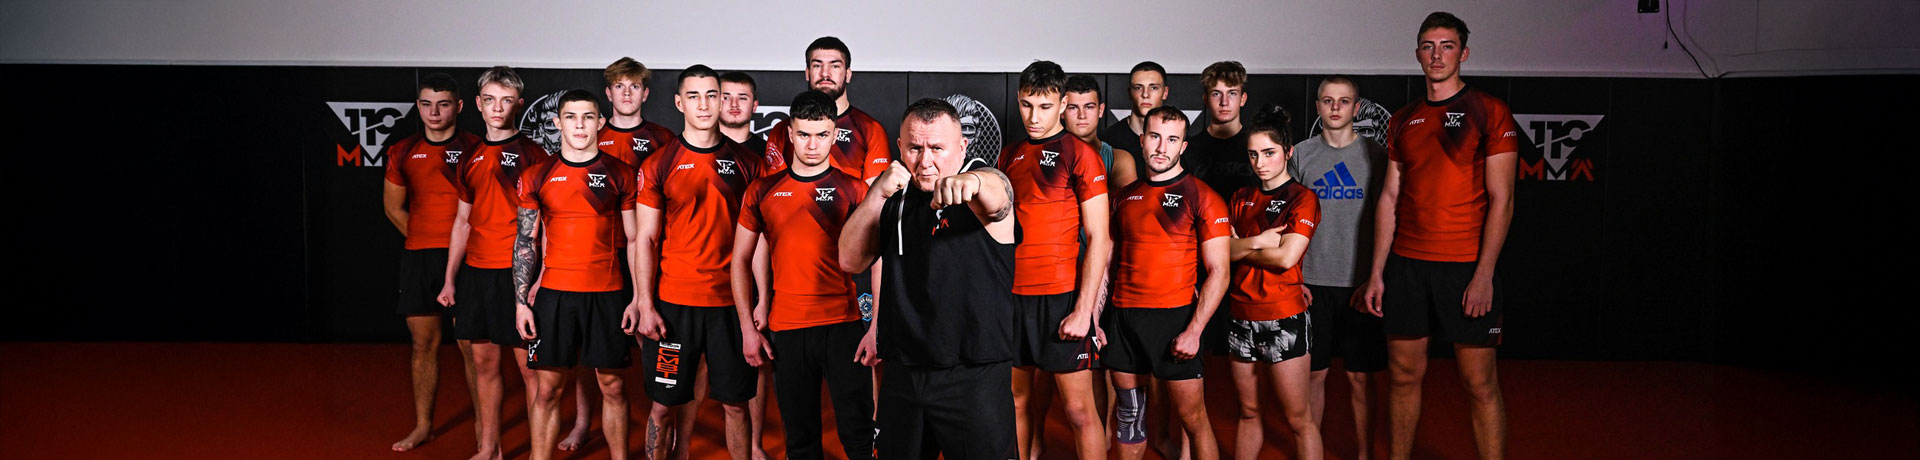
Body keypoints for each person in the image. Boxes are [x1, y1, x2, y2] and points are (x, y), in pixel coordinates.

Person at [1358, 12, 1519, 460]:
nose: (1437, 55)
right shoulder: (1403, 119)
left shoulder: (1489, 111)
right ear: (1417, 53)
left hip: (1465, 266)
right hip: (1407, 267)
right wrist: (1377, 273)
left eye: (1447, 46)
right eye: (1428, 46)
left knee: (1479, 383)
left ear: (1464, 53)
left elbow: (1503, 200)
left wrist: (1484, 275)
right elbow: (1389, 198)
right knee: (1402, 377)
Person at [839, 98, 1018, 460]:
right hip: (904, 370)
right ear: (900, 146)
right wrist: (877, 194)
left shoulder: (980, 183)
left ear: (962, 146)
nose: (925, 161)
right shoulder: (895, 194)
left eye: (937, 148)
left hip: (973, 373)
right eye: (915, 148)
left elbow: (1000, 197)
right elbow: (849, 259)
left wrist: (973, 181)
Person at [630, 65, 771, 460]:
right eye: (694, 96)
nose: (705, 104)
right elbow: (646, 239)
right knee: (663, 405)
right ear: (679, 103)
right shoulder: (659, 164)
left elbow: (759, 241)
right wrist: (645, 303)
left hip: (730, 306)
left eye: (712, 95)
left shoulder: (749, 163)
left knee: (736, 404)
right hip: (675, 307)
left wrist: (762, 300)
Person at [733, 90, 879, 460]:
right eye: (803, 134)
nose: (812, 145)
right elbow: (740, 261)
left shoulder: (854, 189)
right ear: (789, 134)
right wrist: (748, 327)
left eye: (821, 135)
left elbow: (878, 260)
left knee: (859, 437)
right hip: (788, 328)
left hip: (843, 325)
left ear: (834, 135)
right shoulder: (762, 190)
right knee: (800, 442)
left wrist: (877, 325)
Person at [509, 89, 640, 460]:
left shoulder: (621, 173)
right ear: (558, 122)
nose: (579, 125)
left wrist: (638, 298)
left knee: (613, 387)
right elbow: (526, 241)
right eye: (570, 117)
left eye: (587, 117)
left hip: (607, 292)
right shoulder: (537, 175)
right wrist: (521, 303)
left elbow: (634, 239)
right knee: (548, 389)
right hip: (554, 294)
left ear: (600, 122)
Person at [435, 66, 554, 460]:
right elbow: (462, 222)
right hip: (477, 272)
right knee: (484, 365)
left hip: (517, 275)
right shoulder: (468, 155)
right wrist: (450, 279)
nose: (497, 108)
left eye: (506, 100)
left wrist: (540, 276)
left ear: (519, 104)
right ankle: (490, 450)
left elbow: (547, 224)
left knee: (530, 371)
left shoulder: (534, 156)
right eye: (490, 100)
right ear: (479, 105)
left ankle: (538, 452)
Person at [998, 61, 1110, 460]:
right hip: (1014, 297)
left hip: (1060, 297)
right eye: (1026, 105)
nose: (1033, 116)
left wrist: (1084, 310)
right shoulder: (1009, 154)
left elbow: (1100, 238)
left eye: (1044, 107)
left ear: (1062, 105)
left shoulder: (1080, 155)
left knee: (1079, 411)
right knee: (1016, 402)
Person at [1104, 105, 1227, 460]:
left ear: (1183, 146)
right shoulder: (1124, 197)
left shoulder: (1202, 196)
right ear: (1142, 140)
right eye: (1155, 136)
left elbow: (1219, 271)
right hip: (1124, 317)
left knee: (1193, 419)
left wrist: (1194, 331)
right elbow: (1108, 263)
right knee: (1129, 417)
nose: (1162, 147)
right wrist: (1096, 318)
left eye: (1172, 139)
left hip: (1174, 318)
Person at [381, 71, 481, 453]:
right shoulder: (403, 150)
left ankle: (485, 430)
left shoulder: (475, 148)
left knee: (473, 347)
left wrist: (459, 247)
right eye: (426, 104)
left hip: (469, 258)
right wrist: (425, 240)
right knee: (423, 344)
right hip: (421, 257)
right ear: (418, 107)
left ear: (458, 106)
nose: (434, 112)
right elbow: (393, 208)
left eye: (442, 104)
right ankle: (424, 426)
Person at [1291, 75, 1389, 460]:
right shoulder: (1300, 155)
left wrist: (1375, 276)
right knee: (1314, 374)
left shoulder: (1376, 155)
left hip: (1359, 284)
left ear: (1356, 107)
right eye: (1328, 100)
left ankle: (1365, 454)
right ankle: (1311, 452)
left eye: (1343, 101)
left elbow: (1388, 217)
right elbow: (1286, 221)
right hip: (1311, 283)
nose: (1335, 108)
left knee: (1361, 377)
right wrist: (1294, 277)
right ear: (1317, 106)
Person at [1224, 106, 1322, 460]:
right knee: (1248, 412)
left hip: (1283, 315)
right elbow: (1221, 252)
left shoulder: (1302, 198)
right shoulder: (1240, 197)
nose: (1260, 162)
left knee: (1298, 419)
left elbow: (1285, 258)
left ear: (1288, 151)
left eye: (1269, 153)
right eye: (1253, 154)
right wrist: (1258, 241)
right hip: (1240, 315)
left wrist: (1241, 248)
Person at [717, 68, 776, 460]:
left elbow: (769, 225)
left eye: (742, 97)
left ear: (755, 106)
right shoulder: (698, 146)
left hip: (753, 272)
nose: (734, 104)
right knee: (699, 362)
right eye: (726, 96)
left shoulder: (765, 154)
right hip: (701, 275)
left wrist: (764, 294)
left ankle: (754, 444)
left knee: (757, 358)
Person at [766, 36, 891, 183]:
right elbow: (774, 189)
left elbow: (875, 192)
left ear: (848, 75)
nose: (825, 74)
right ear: (807, 73)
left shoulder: (870, 129)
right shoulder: (782, 130)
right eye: (817, 66)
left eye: (835, 66)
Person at [1101, 61, 1169, 190]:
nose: (1145, 94)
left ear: (1165, 92)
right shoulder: (1107, 140)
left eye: (1154, 88)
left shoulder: (1178, 144)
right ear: (1129, 92)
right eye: (1138, 87)